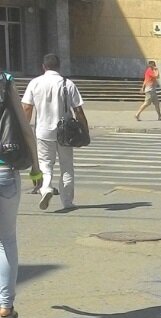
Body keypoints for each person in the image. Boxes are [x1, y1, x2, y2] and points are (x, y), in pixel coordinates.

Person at [22, 53, 88, 211]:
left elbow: (27, 107)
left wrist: (23, 130)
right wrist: (84, 129)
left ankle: (45, 188)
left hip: (43, 131)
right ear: (59, 66)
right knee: (66, 166)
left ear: (43, 67)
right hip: (66, 133)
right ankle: (67, 202)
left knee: (45, 163)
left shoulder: (35, 83)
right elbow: (78, 110)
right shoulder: (68, 83)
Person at [1, 70, 40, 318]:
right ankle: (5, 304)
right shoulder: (4, 80)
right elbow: (25, 128)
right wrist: (36, 167)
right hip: (5, 171)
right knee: (6, 240)